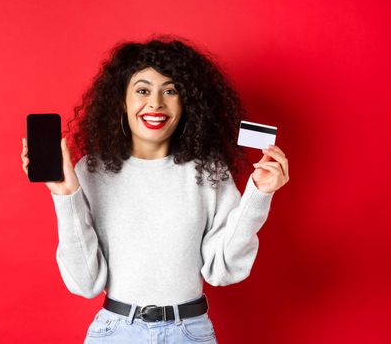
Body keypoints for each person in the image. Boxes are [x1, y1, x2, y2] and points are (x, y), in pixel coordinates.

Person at [21, 36, 289, 343]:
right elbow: (86, 283)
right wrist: (66, 194)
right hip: (115, 333)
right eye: (143, 90)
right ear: (122, 101)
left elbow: (224, 270)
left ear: (186, 102)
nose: (156, 103)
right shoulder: (90, 172)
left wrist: (259, 195)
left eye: (171, 90)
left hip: (189, 333)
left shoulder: (209, 172)